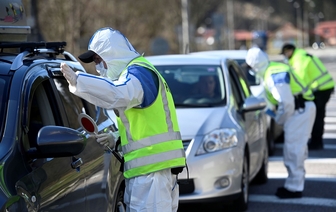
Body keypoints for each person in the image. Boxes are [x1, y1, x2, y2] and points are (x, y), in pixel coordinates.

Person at [60, 27, 186, 212]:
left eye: (98, 60)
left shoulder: (138, 73)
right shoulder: (139, 72)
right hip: (153, 173)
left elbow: (119, 94)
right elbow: (146, 124)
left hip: (152, 175)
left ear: (112, 54)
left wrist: (80, 82)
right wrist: (118, 137)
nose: (97, 67)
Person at [245, 47, 316, 199]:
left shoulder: (273, 74)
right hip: (300, 109)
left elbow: (287, 102)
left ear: (255, 66)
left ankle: (294, 188)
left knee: (294, 150)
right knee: (296, 149)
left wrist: (280, 120)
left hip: (299, 110)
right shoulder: (271, 70)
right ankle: (294, 184)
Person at [281, 43, 335, 150]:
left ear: (290, 50)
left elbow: (300, 80)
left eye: (285, 53)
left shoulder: (298, 59)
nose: (285, 56)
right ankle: (317, 141)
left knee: (316, 116)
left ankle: (316, 142)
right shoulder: (301, 55)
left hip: (320, 89)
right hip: (325, 87)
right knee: (318, 115)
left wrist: (300, 95)